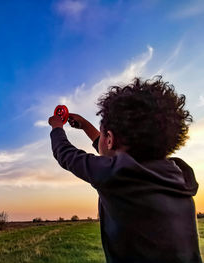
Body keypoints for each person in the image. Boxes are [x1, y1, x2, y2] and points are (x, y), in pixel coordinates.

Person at [48, 76, 202, 263]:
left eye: (103, 133)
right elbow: (110, 151)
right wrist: (85, 125)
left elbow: (66, 154)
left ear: (111, 139)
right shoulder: (177, 176)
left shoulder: (117, 175)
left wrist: (57, 127)